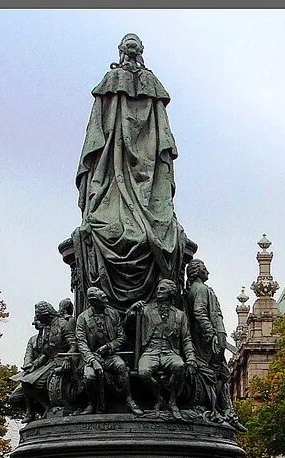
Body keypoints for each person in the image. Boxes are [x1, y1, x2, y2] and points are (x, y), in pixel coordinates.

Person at [71, 34, 189, 308]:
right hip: (114, 162)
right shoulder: (137, 85)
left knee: (154, 223)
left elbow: (99, 133)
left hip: (130, 162)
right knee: (110, 223)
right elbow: (158, 139)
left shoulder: (125, 84)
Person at [128, 279, 196, 418]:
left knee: (179, 366)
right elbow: (128, 329)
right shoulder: (146, 310)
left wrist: (191, 359)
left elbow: (186, 339)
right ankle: (159, 397)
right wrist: (131, 311)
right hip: (150, 351)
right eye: (158, 289)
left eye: (162, 289)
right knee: (144, 372)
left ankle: (172, 401)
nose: (158, 291)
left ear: (171, 293)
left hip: (170, 351)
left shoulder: (180, 315)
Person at [184, 259, 238, 421]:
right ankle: (214, 408)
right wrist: (211, 335)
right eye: (204, 268)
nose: (207, 271)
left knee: (222, 373)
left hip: (215, 338)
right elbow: (199, 312)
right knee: (217, 374)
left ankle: (224, 410)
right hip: (208, 341)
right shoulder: (199, 289)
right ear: (196, 271)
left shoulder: (200, 288)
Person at [75, 286, 141, 415]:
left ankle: (129, 400)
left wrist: (109, 347)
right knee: (89, 376)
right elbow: (81, 343)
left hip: (110, 355)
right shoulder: (82, 318)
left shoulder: (113, 313)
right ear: (94, 301)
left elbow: (122, 337)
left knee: (121, 366)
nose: (106, 299)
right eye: (103, 297)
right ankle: (91, 403)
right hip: (92, 357)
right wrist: (93, 361)